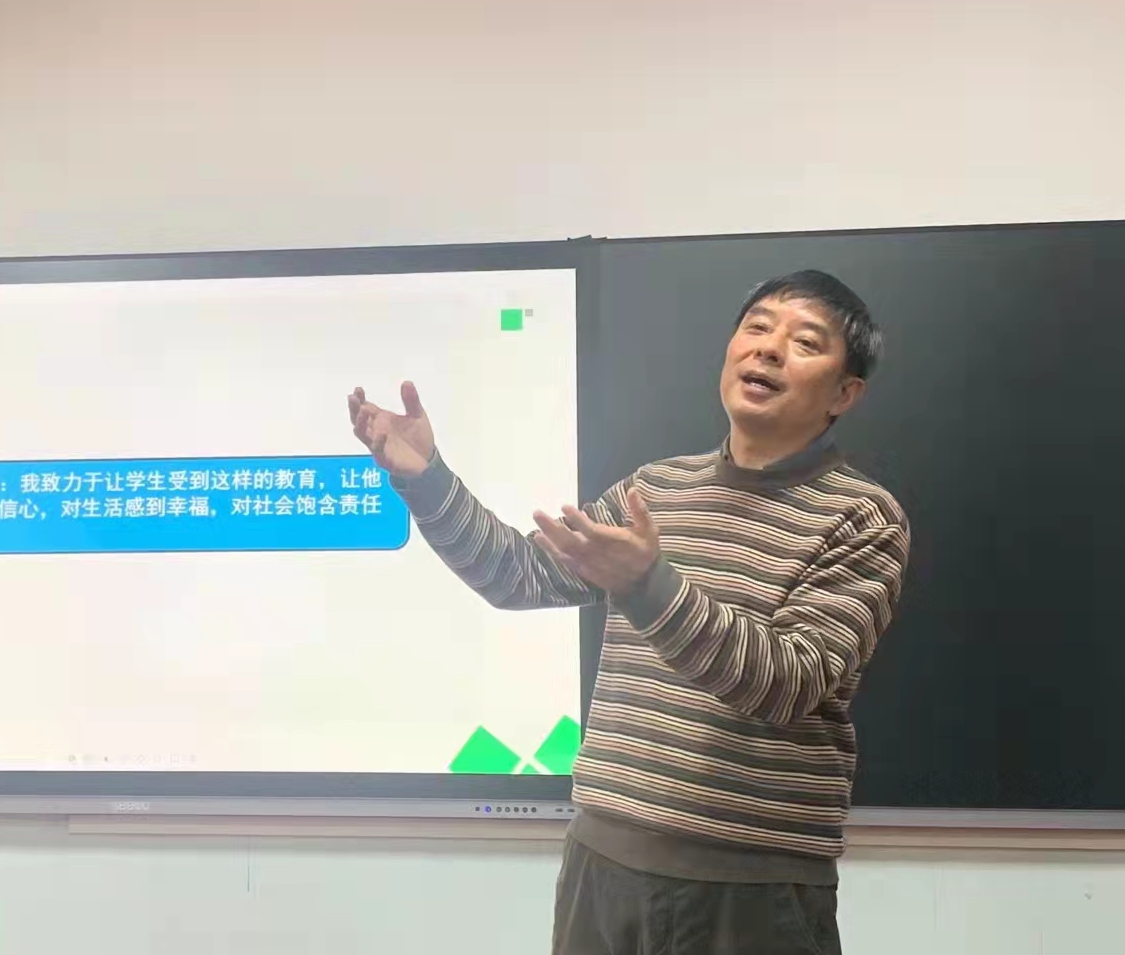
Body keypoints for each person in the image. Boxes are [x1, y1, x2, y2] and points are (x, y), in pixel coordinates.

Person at [348, 270, 909, 955]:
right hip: (602, 864)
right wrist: (426, 478)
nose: (767, 349)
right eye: (757, 327)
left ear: (845, 393)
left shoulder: (863, 517)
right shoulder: (656, 490)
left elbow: (786, 683)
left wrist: (650, 588)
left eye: (805, 342)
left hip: (750, 887)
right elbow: (515, 575)